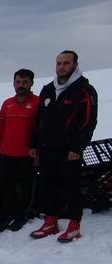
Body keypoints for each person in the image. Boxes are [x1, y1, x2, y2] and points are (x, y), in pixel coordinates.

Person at [29, 50, 98, 242]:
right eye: (59, 63)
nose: (62, 67)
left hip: (69, 151)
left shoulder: (84, 90)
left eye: (66, 63)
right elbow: (38, 120)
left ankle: (74, 224)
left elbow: (88, 122)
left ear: (75, 65)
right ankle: (51, 221)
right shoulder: (48, 89)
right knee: (48, 185)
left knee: (71, 187)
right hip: (47, 148)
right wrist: (34, 144)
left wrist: (77, 148)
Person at [0, 69, 40, 233]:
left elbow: (40, 130)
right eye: (18, 82)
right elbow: (0, 128)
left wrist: (38, 151)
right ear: (13, 83)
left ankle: (21, 216)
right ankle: (6, 216)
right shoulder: (7, 103)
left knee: (24, 187)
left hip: (27, 155)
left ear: (31, 83)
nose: (21, 85)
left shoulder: (37, 103)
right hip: (6, 154)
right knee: (6, 186)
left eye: (25, 82)